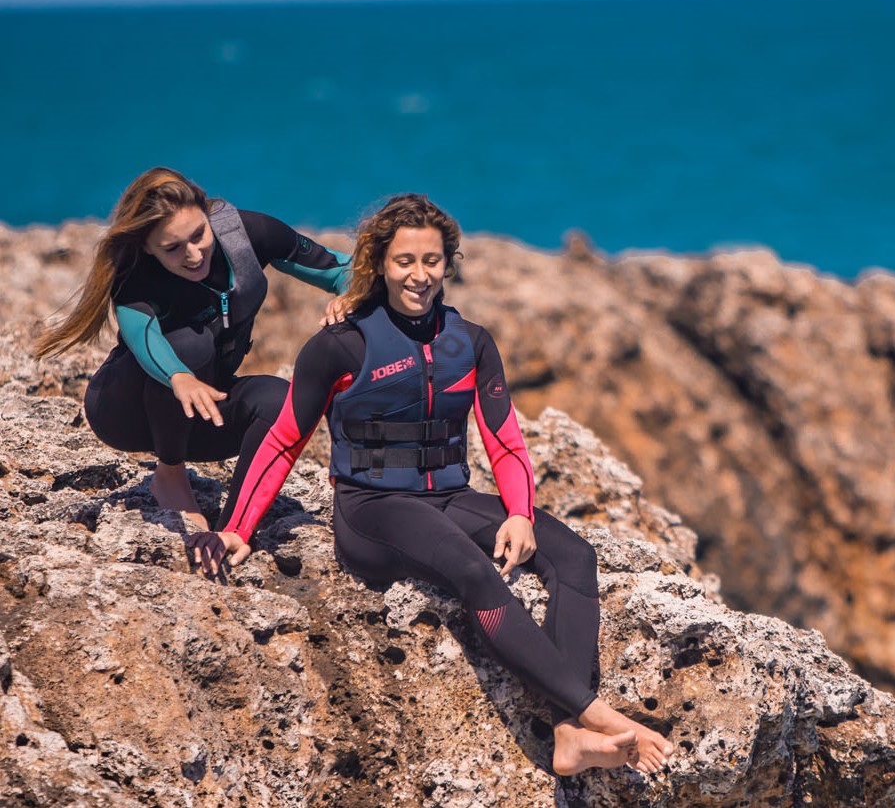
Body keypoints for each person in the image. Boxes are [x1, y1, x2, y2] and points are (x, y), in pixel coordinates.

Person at [202, 193, 673, 776]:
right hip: (372, 510)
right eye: (404, 261)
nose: (419, 275)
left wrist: (520, 513)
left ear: (448, 263)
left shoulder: (469, 342)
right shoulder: (341, 344)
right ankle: (595, 713)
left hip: (451, 497)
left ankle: (567, 732)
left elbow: (503, 439)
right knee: (472, 571)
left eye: (432, 260)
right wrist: (236, 528)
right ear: (379, 264)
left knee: (574, 556)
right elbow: (283, 440)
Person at [34, 167, 351, 556]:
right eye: (173, 248)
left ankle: (233, 527)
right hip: (123, 411)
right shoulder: (135, 273)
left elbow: (341, 269)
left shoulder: (249, 234)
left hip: (201, 414)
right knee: (191, 345)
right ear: (148, 246)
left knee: (280, 399)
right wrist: (178, 375)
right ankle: (170, 476)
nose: (194, 253)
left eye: (199, 234)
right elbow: (142, 336)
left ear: (206, 211)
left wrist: (350, 295)